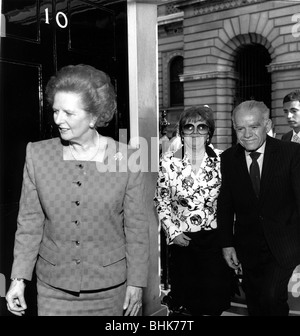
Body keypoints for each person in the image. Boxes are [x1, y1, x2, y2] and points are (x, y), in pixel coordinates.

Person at [5, 64, 149, 316]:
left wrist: (136, 283)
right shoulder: (38, 154)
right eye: (55, 111)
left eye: (69, 113)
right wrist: (18, 278)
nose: (58, 120)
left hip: (110, 289)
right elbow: (29, 222)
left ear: (94, 116)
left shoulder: (126, 158)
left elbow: (136, 228)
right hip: (54, 288)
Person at [217, 100, 300, 316]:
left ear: (268, 124)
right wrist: (227, 244)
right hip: (248, 246)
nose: (247, 134)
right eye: (240, 128)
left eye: (254, 127)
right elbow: (225, 204)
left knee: (272, 297)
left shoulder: (291, 153)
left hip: (283, 244)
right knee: (255, 301)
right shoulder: (228, 158)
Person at [154, 105, 232, 316]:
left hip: (215, 242)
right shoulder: (168, 162)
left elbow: (231, 202)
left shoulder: (223, 160)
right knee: (189, 305)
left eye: (201, 127)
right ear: (181, 132)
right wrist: (173, 232)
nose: (195, 132)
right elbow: (161, 201)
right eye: (189, 127)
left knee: (213, 303)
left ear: (209, 132)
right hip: (183, 242)